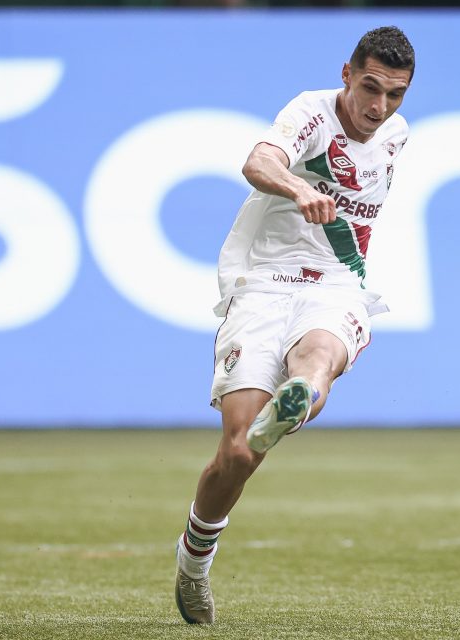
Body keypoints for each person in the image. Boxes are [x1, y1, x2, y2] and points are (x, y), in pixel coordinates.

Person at [174, 25, 415, 624]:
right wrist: (297, 188)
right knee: (237, 452)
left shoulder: (395, 134)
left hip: (335, 286)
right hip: (261, 284)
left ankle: (301, 394)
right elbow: (259, 160)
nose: (378, 108)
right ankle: (192, 564)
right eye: (370, 88)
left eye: (394, 95)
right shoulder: (312, 112)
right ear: (346, 74)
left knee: (318, 357)